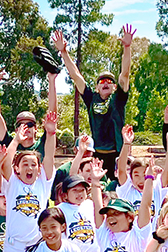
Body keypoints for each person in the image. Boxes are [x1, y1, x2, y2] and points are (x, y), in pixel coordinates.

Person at [51, 24, 135, 180]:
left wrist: (127, 47)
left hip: (117, 155)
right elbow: (76, 76)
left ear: (114, 86)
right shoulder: (91, 98)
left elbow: (125, 74)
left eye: (109, 81)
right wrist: (63, 52)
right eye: (102, 81)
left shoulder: (118, 99)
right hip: (97, 155)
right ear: (97, 87)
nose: (105, 83)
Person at [0, 111, 58, 252]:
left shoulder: (43, 183)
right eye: (25, 164)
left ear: (39, 169)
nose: (29, 168)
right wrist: (16, 140)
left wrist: (51, 133)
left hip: (37, 245)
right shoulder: (12, 182)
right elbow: (6, 164)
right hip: (14, 247)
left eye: (33, 165)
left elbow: (50, 155)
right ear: (17, 168)